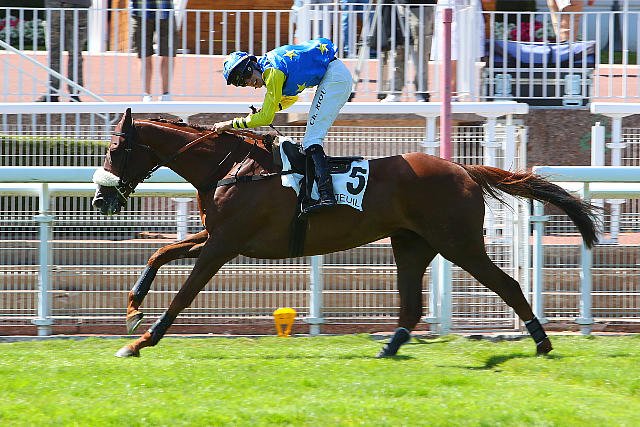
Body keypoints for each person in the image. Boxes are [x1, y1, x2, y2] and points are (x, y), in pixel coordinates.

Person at [212, 38, 352, 213]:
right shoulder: (269, 68)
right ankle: (319, 193)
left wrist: (230, 124)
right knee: (310, 142)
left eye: (246, 78)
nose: (249, 84)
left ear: (249, 67)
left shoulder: (272, 72)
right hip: (335, 76)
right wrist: (268, 109)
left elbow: (265, 118)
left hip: (335, 79)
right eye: (243, 84)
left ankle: (326, 195)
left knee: (311, 141)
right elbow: (291, 98)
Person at [377, 0, 435, 102]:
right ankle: (395, 91)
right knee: (397, 51)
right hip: (399, 6)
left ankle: (421, 91)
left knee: (420, 52)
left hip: (421, 8)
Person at [36, 0, 91, 102]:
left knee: (65, 53)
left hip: (70, 5)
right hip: (69, 5)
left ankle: (62, 92)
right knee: (65, 53)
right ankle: (64, 93)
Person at [431, 0, 485, 101]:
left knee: (469, 56)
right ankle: (451, 95)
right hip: (450, 10)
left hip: (469, 11)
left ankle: (465, 94)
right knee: (450, 55)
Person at [130, 0, 176, 102]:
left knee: (168, 53)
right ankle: (146, 95)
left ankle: (166, 94)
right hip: (140, 11)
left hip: (166, 10)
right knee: (143, 55)